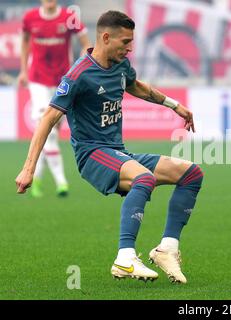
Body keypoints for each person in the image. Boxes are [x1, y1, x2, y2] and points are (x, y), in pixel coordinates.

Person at [16, 10, 203, 284]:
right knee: (143, 178)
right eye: (125, 42)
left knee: (191, 174)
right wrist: (28, 169)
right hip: (92, 155)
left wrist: (175, 106)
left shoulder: (120, 65)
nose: (130, 48)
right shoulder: (79, 74)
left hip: (118, 152)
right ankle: (125, 258)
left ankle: (167, 248)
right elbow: (48, 118)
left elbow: (136, 86)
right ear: (106, 37)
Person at [18, 0, 92, 198]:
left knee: (50, 133)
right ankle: (61, 181)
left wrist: (81, 69)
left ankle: (36, 178)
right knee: (47, 129)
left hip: (62, 80)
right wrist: (23, 70)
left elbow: (87, 45)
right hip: (37, 79)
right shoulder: (30, 17)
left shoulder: (69, 17)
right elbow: (24, 42)